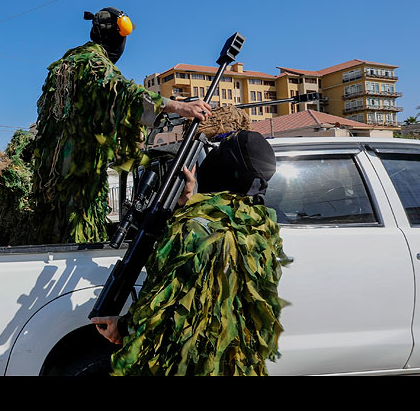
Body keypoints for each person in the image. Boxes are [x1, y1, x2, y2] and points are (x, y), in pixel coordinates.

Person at [91, 130, 287, 376]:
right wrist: (190, 203)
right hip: (236, 363)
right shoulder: (260, 227)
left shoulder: (193, 229)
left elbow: (164, 309)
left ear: (224, 168)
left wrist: (124, 327)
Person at [31, 6, 211, 244]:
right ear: (115, 37)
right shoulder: (93, 64)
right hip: (78, 184)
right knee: (77, 237)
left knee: (53, 234)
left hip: (52, 180)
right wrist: (177, 106)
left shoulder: (68, 62)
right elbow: (121, 91)